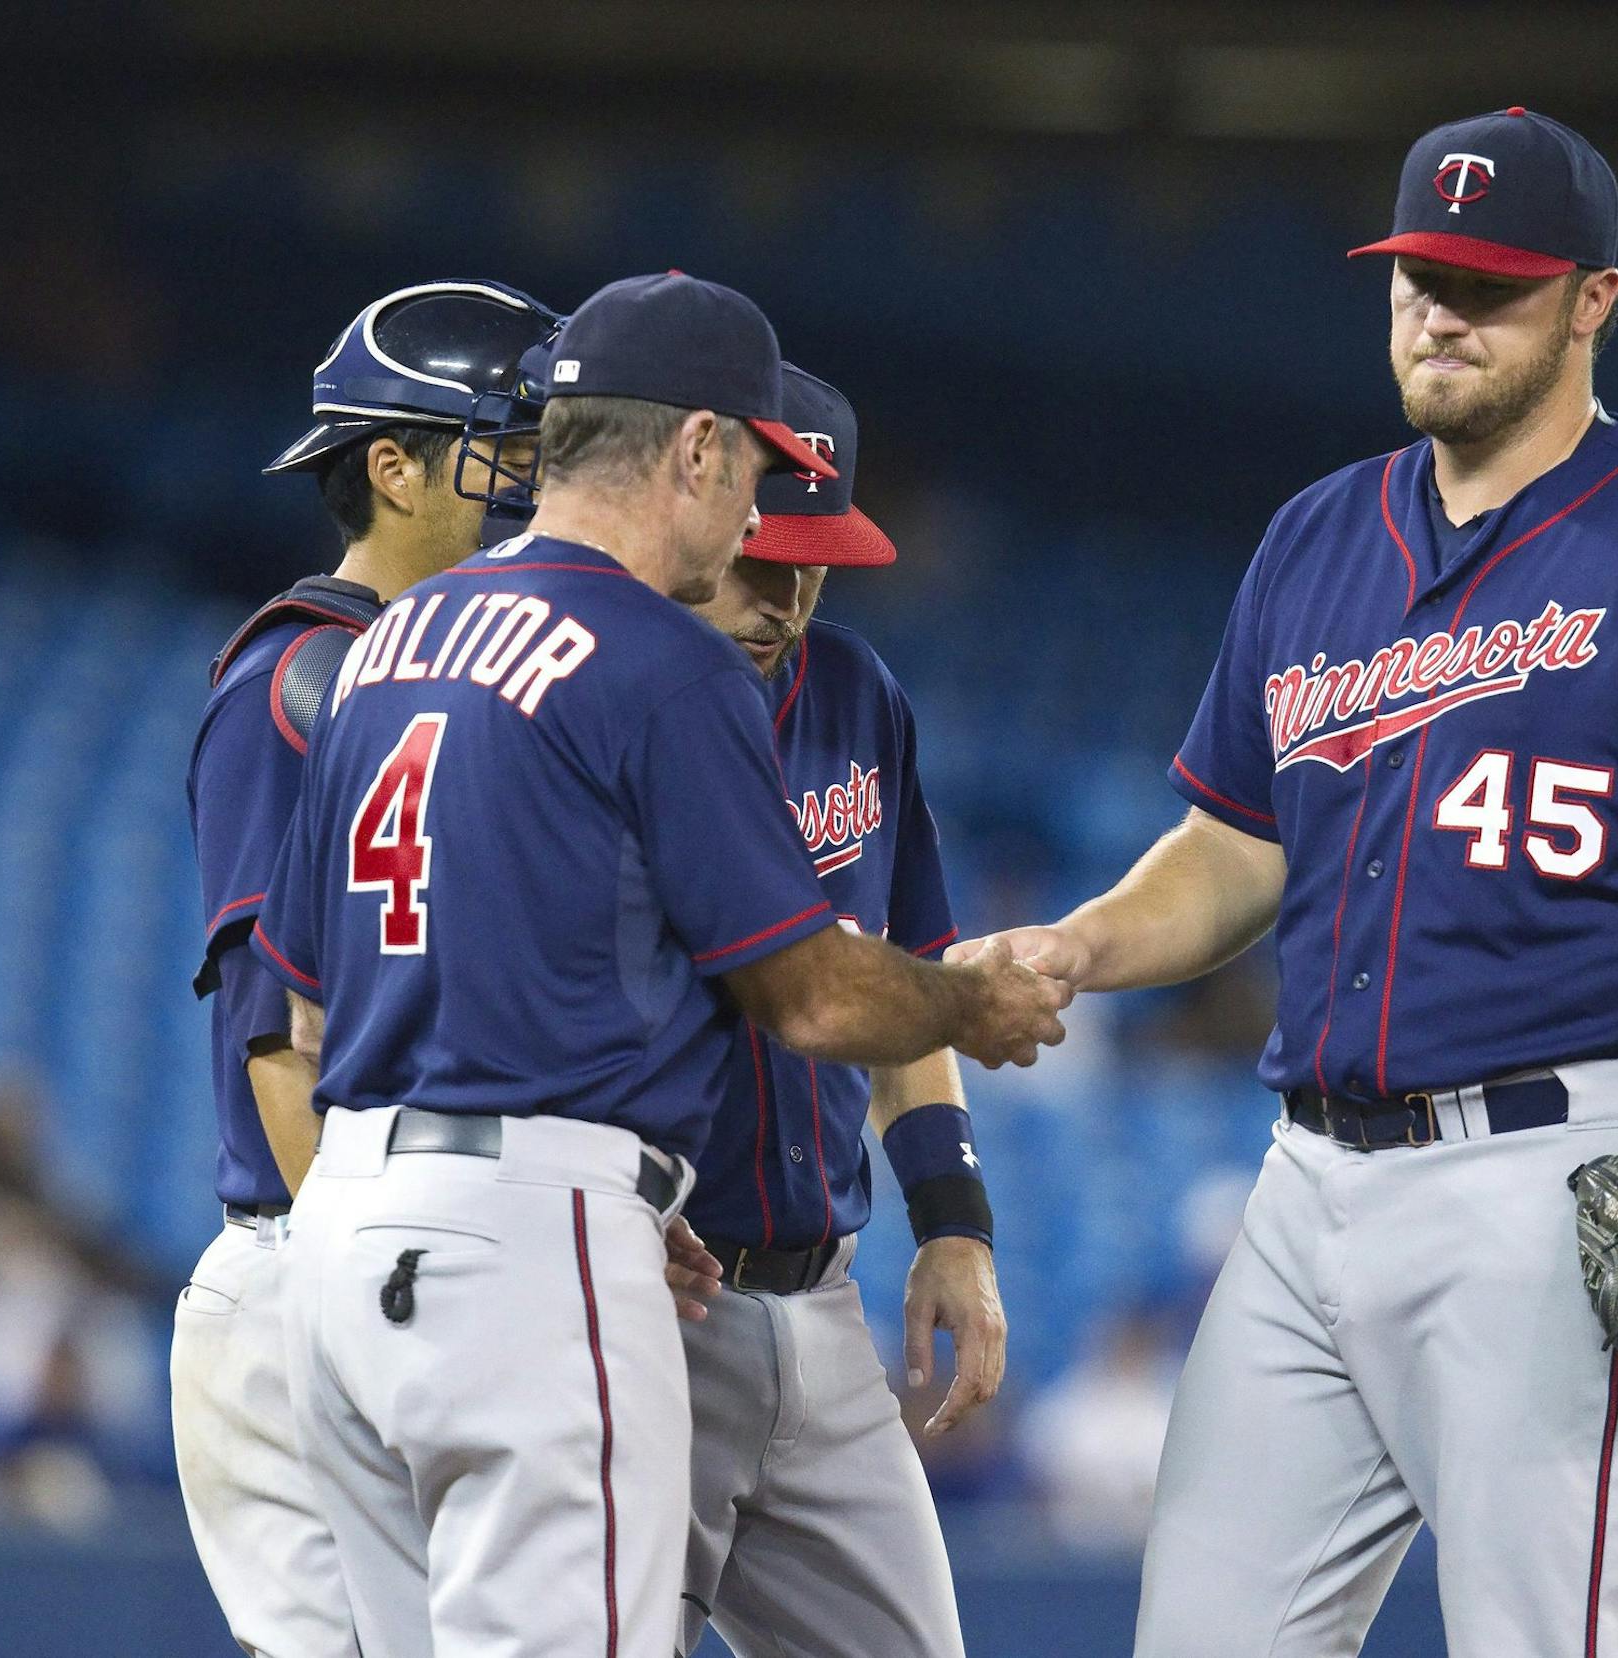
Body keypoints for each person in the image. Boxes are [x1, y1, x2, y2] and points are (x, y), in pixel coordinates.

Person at [954, 107, 1618, 1657]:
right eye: (1419, 274)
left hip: (1555, 1174)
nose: (1443, 309)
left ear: (1593, 301)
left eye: (1490, 281)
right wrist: (1084, 945)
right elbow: (1239, 845)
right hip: (1304, 1183)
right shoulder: (1315, 539)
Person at [249, 273, 1071, 1658]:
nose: (762, 529)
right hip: (541, 1235)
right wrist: (970, 1000)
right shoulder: (652, 657)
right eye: (749, 479)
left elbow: (305, 1007)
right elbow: (812, 990)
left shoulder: (390, 640)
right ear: (695, 447)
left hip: (361, 1238)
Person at [178, 278, 559, 1657]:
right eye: (499, 444)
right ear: (390, 465)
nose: (527, 476)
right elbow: (277, 1034)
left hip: (410, 1253)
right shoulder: (302, 680)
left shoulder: (452, 673)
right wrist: (378, 1293)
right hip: (319, 1268)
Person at [661, 363, 998, 1658]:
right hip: (654, 1303)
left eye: (815, 560)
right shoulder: (596, 709)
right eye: (759, 557)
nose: (786, 595)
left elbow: (911, 977)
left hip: (821, 1303)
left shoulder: (856, 693)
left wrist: (955, 1223)